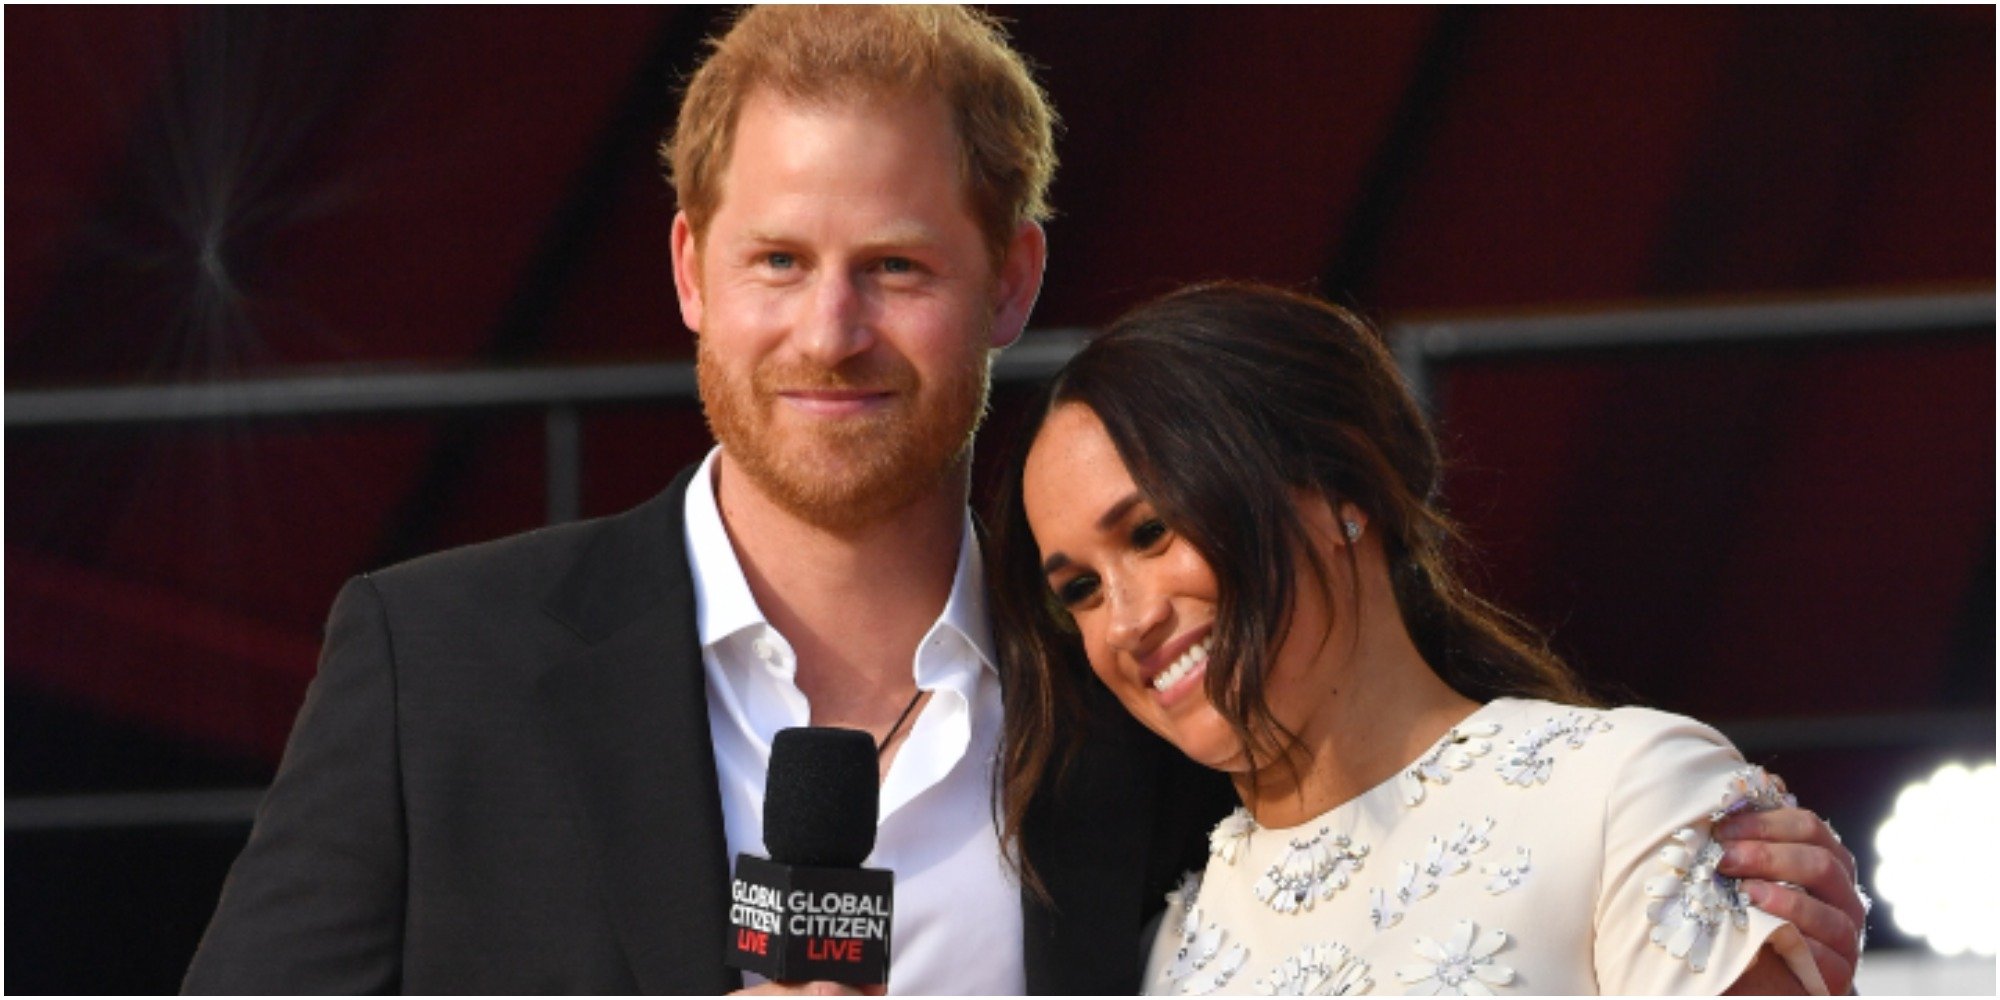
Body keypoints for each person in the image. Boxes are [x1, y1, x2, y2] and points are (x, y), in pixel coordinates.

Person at [185, 7, 1865, 994]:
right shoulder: (437, 660)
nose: (829, 332)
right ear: (695, 271)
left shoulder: (1149, 687)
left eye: (897, 267)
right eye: (781, 260)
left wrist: (1721, 899)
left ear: (1009, 283)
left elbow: (1419, 826)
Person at [990, 282, 1862, 994]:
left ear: (1337, 490)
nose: (1127, 619)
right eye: (1080, 590)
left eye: (1150, 534)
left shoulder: (1627, 799)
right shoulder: (1164, 953)